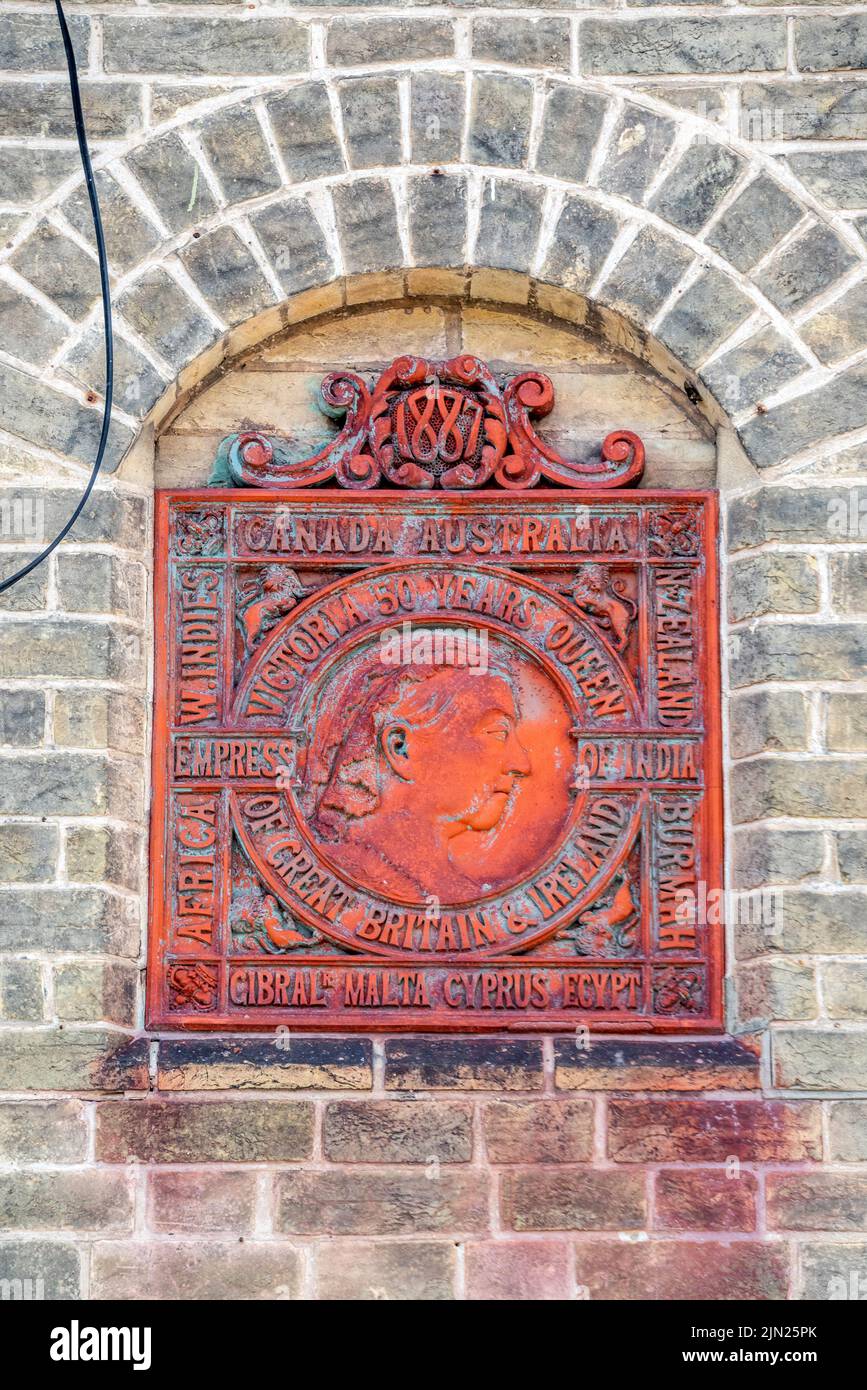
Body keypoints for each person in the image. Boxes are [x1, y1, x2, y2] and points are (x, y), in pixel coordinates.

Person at [306, 652, 531, 901]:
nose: (522, 764)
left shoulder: (466, 896)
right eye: (498, 733)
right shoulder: (336, 872)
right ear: (400, 748)